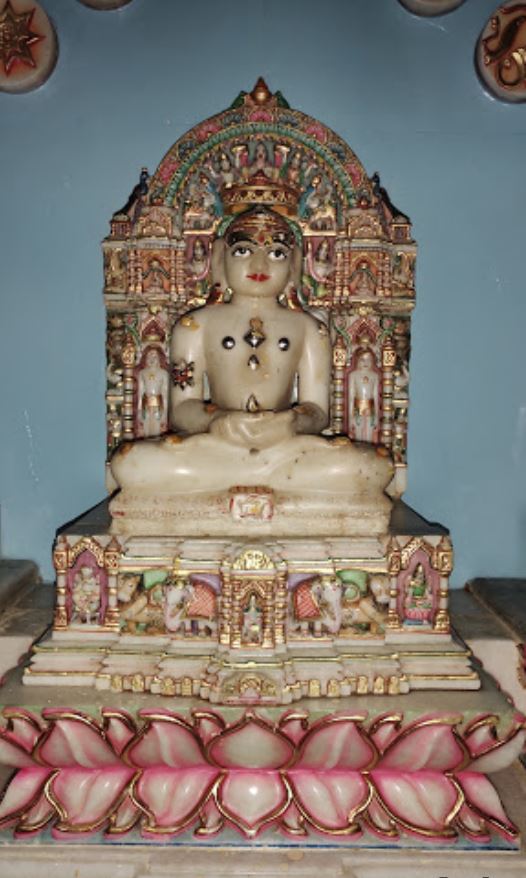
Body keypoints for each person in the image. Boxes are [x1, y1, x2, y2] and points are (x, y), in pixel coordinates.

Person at [110, 206, 393, 535]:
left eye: (276, 253)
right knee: (129, 464)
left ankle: (237, 496)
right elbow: (182, 409)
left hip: (285, 452)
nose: (259, 265)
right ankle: (284, 499)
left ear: (293, 265)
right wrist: (218, 421)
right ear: (220, 258)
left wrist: (290, 421)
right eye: (243, 250)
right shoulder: (195, 326)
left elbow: (318, 412)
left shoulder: (308, 329)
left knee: (372, 467)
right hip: (216, 451)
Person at [348, 349, 379, 442]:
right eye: (362, 359)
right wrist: (350, 416)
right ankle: (359, 452)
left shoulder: (375, 376)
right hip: (358, 406)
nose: (366, 362)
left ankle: (368, 450)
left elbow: (375, 395)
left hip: (370, 407)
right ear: (357, 361)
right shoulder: (353, 375)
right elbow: (351, 396)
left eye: (369, 359)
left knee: (369, 431)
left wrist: (377, 414)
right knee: (358, 430)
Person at [137, 348, 169, 438]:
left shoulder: (163, 373)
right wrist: (139, 410)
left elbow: (165, 393)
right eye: (149, 356)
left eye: (155, 356)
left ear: (159, 359)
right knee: (146, 424)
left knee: (157, 425)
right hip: (145, 402)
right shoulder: (142, 373)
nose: (152, 359)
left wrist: (165, 413)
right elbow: (140, 392)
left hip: (159, 403)